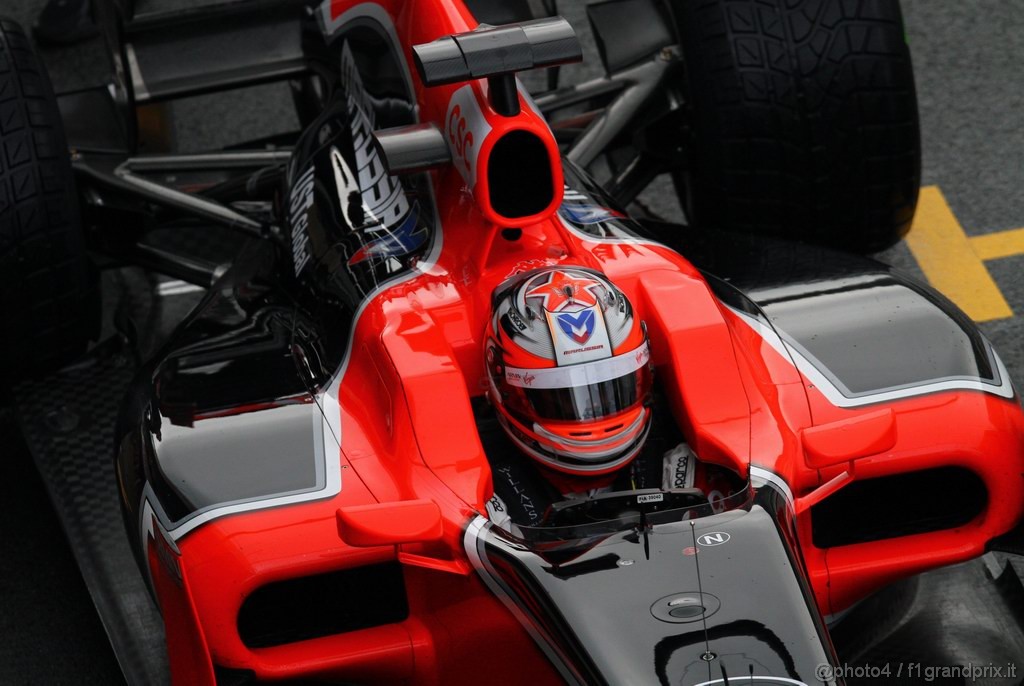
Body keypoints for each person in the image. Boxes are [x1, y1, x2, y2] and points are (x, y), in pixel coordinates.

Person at [482, 266, 738, 531]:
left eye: (614, 388)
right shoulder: (485, 491)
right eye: (562, 399)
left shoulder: (683, 459)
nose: (593, 411)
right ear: (504, 388)